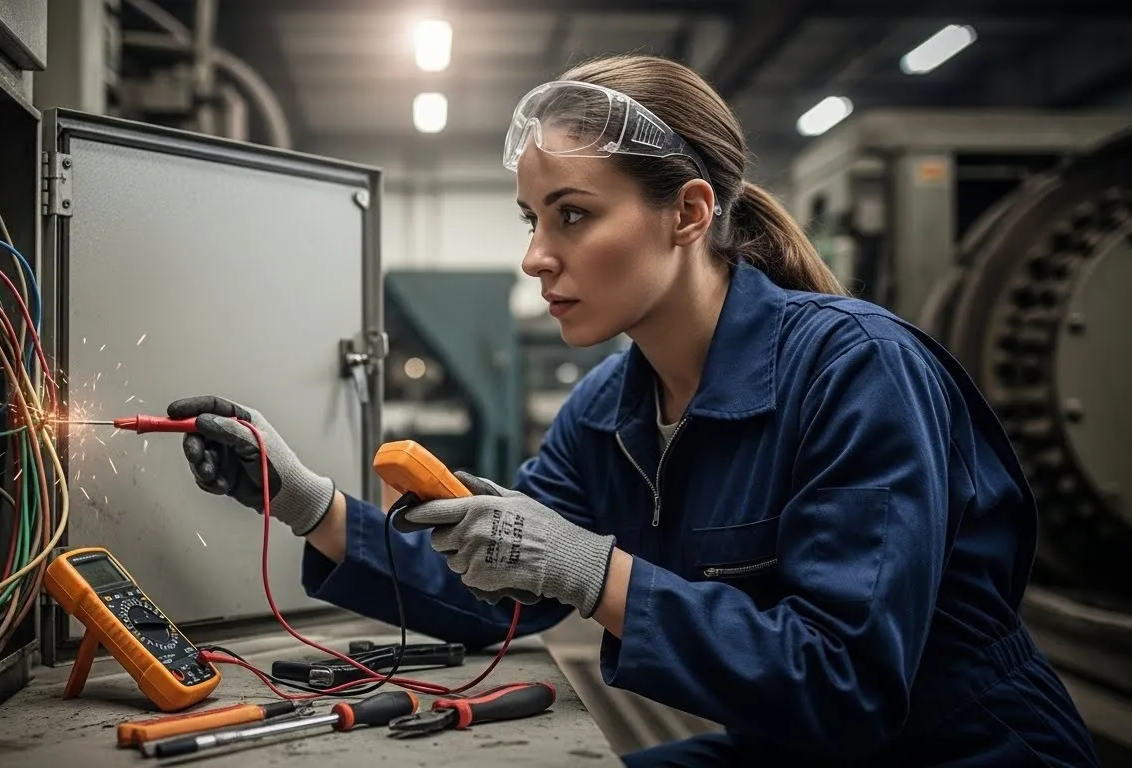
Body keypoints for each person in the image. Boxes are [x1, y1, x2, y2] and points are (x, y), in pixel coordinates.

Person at [167, 54, 1097, 767]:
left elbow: (843, 681)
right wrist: (308, 504)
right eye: (529, 219)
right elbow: (499, 596)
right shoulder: (613, 403)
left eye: (570, 215)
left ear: (688, 213)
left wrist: (588, 568)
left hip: (963, 749)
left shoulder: (856, 372)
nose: (535, 255)